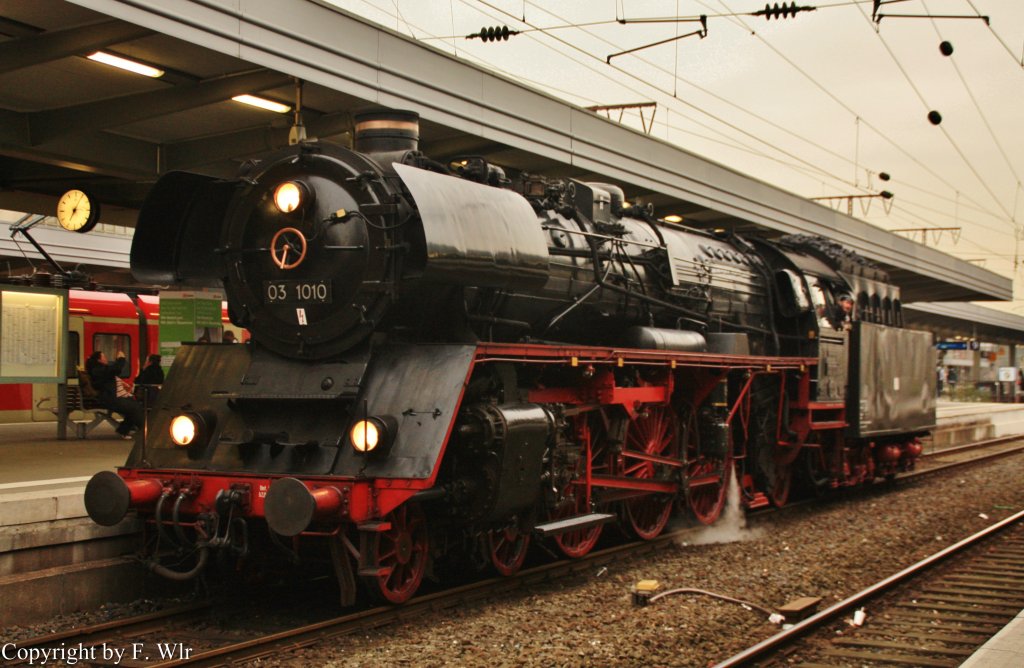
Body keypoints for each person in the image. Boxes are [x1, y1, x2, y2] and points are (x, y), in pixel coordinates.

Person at [86, 350, 144, 439]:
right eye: (103, 357)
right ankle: (145, 430)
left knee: (135, 406)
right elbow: (115, 369)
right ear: (99, 360)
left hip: (110, 397)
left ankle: (124, 431)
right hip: (109, 399)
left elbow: (112, 372)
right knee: (134, 408)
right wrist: (121, 359)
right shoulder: (98, 370)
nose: (106, 359)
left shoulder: (99, 369)